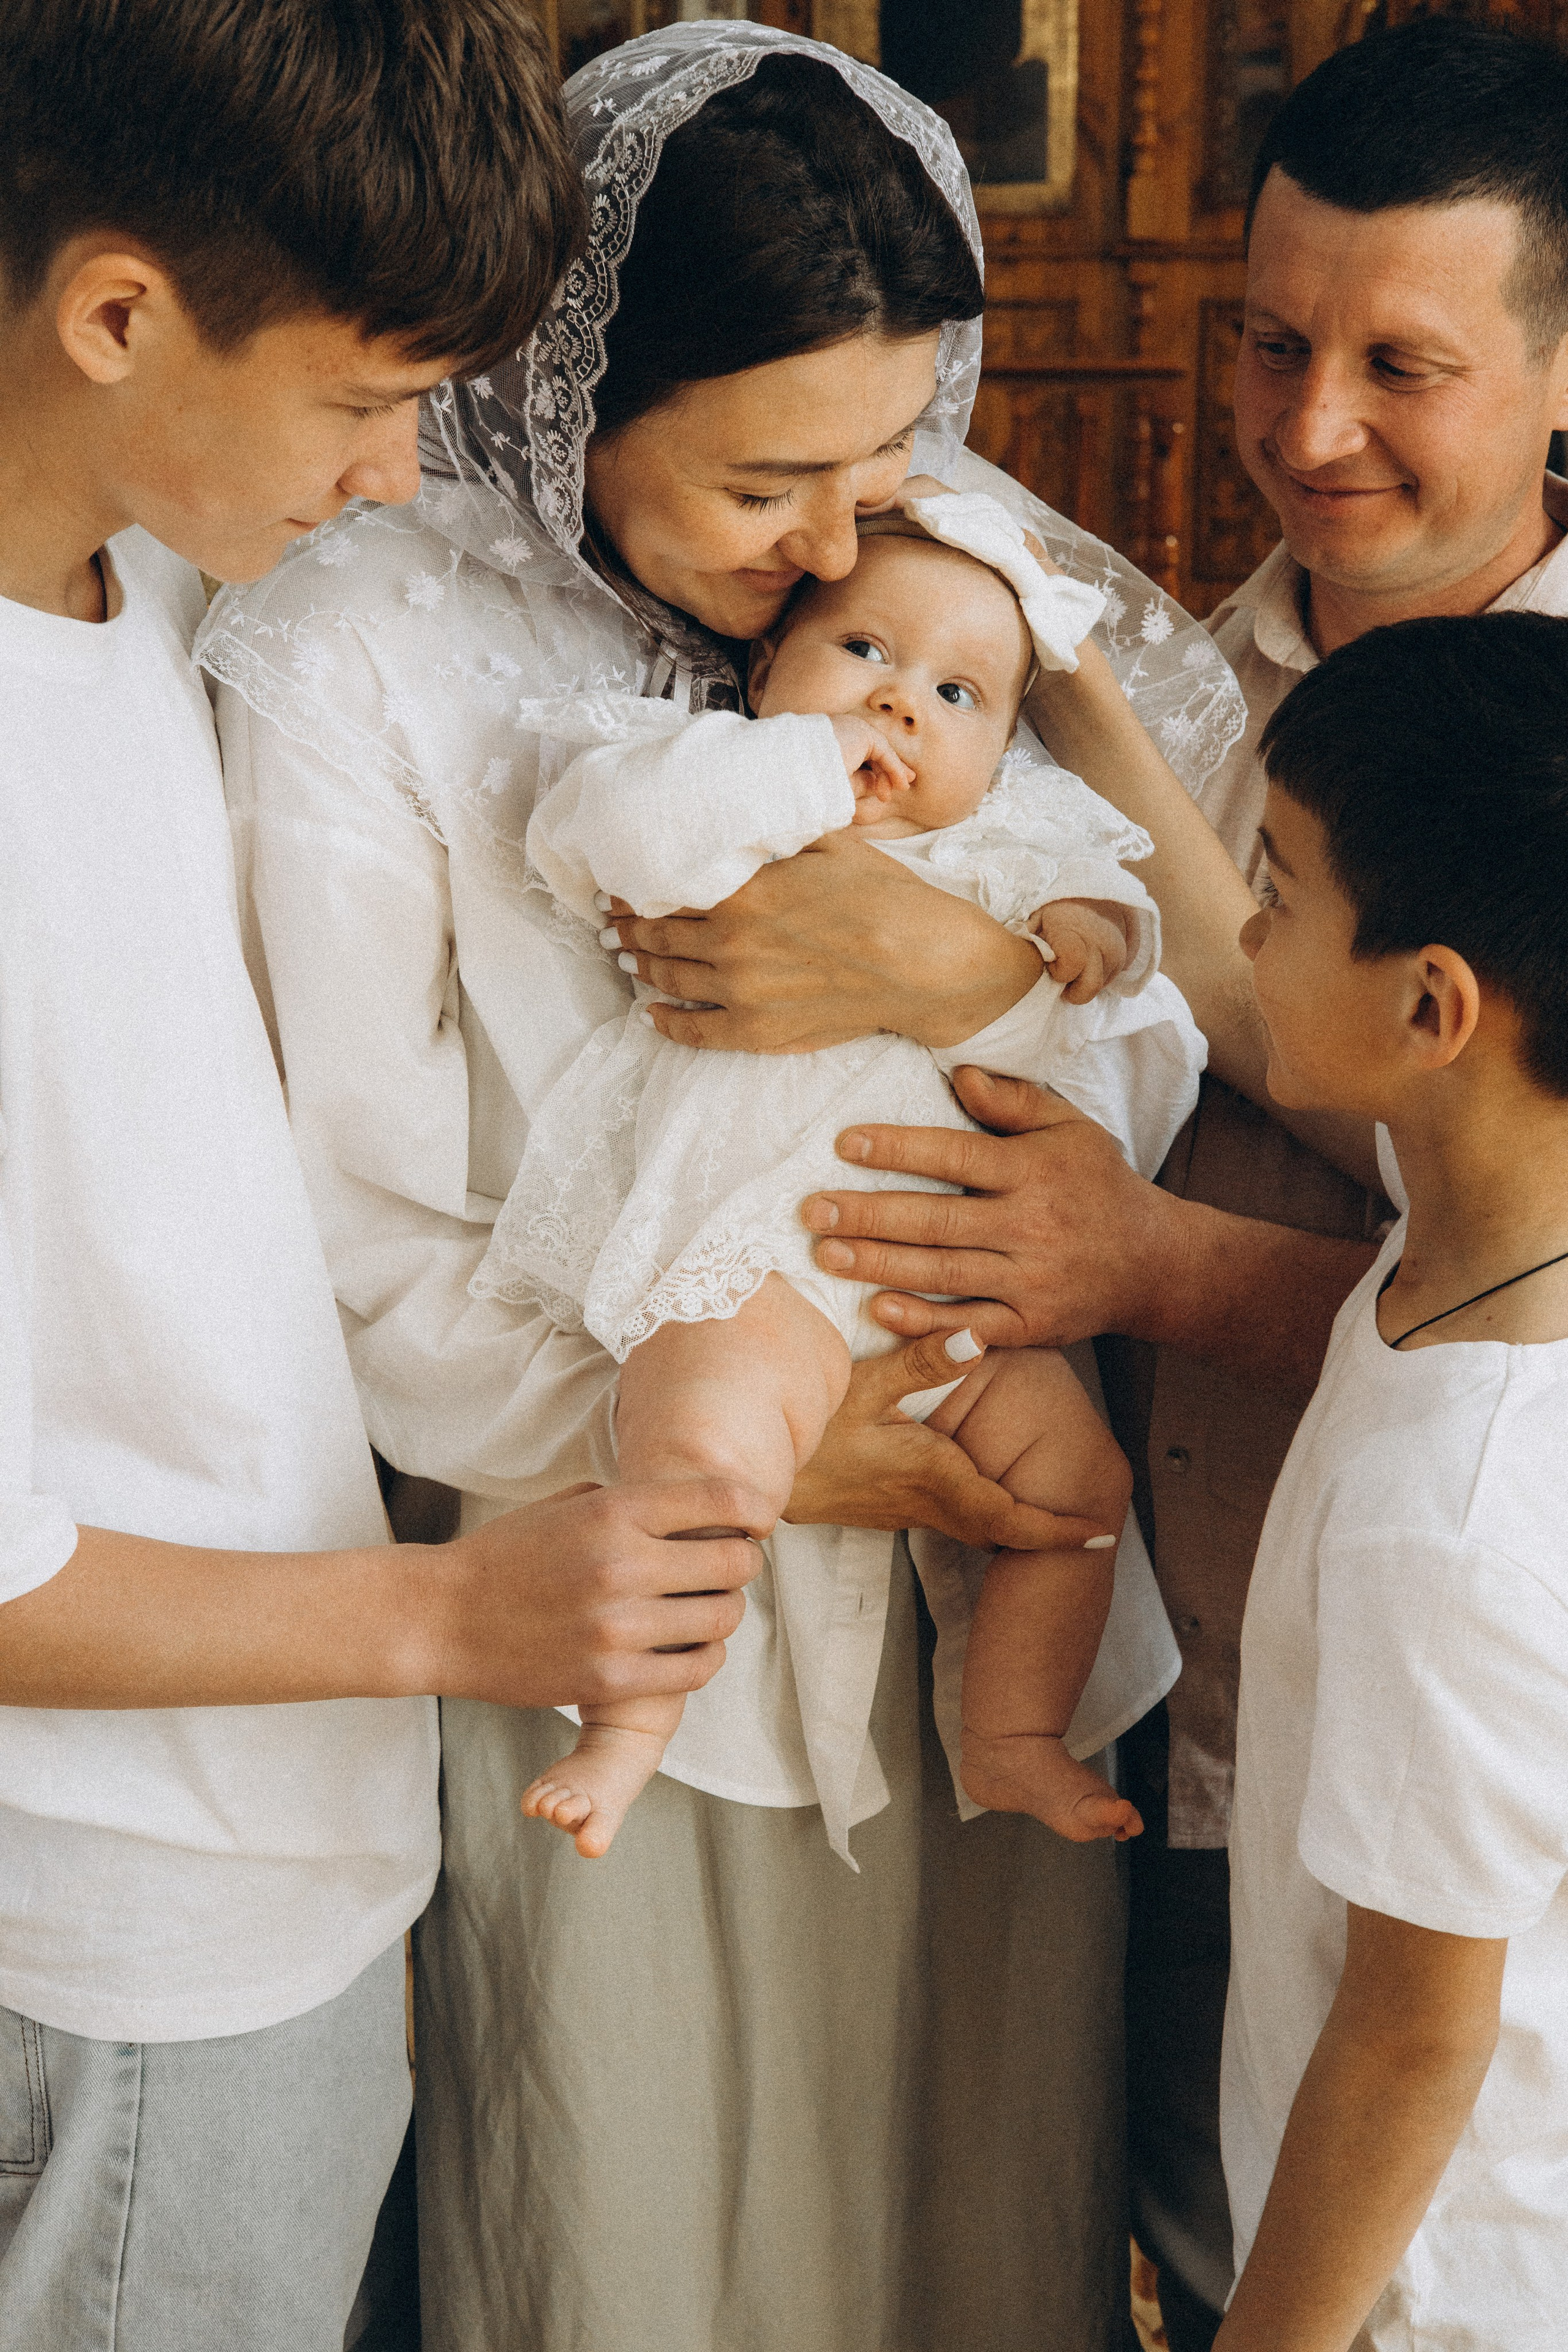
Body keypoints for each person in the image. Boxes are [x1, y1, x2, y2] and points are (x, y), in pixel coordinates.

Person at [203, 26, 1242, 2350]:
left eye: (898, 446)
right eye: (775, 478)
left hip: (992, 1584)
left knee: (977, 2203)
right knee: (649, 2220)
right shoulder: (353, 658)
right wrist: (790, 1452)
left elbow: (1184, 1025)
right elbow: (352, 1239)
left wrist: (976, 966)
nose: (847, 540)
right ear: (574, 397)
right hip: (627, 1589)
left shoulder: (950, 589)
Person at [788, 22, 1568, 2341]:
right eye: (1267, 339)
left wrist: (1154, 1266)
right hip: (1142, 1703)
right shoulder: (1111, 667)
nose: (1308, 428)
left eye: (1400, 365)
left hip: (1435, 1786)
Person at [0, 7, 762, 2349]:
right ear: (116, 311)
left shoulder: (140, 604)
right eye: (352, 401)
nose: (389, 476)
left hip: (273, 1867)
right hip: (113, 1939)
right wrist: (452, 1623)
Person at [486, 498, 1206, 1857]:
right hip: (754, 1259)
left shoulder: (1008, 837)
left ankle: (1012, 1734)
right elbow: (606, 833)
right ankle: (630, 1726)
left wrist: (1081, 931)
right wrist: (806, 768)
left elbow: (1132, 959)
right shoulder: (709, 780)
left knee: (1074, 1492)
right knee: (701, 1470)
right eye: (861, 652)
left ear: (1004, 741)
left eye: (955, 693)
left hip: (959, 1288)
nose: (897, 705)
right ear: (763, 670)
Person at [1215, 609, 1568, 2352]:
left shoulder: (1466, 1509)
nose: (1242, 928)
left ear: (1434, 1005)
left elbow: (1416, 2030)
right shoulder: (1468, 1245)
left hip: (1437, 2294)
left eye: (1276, 891)